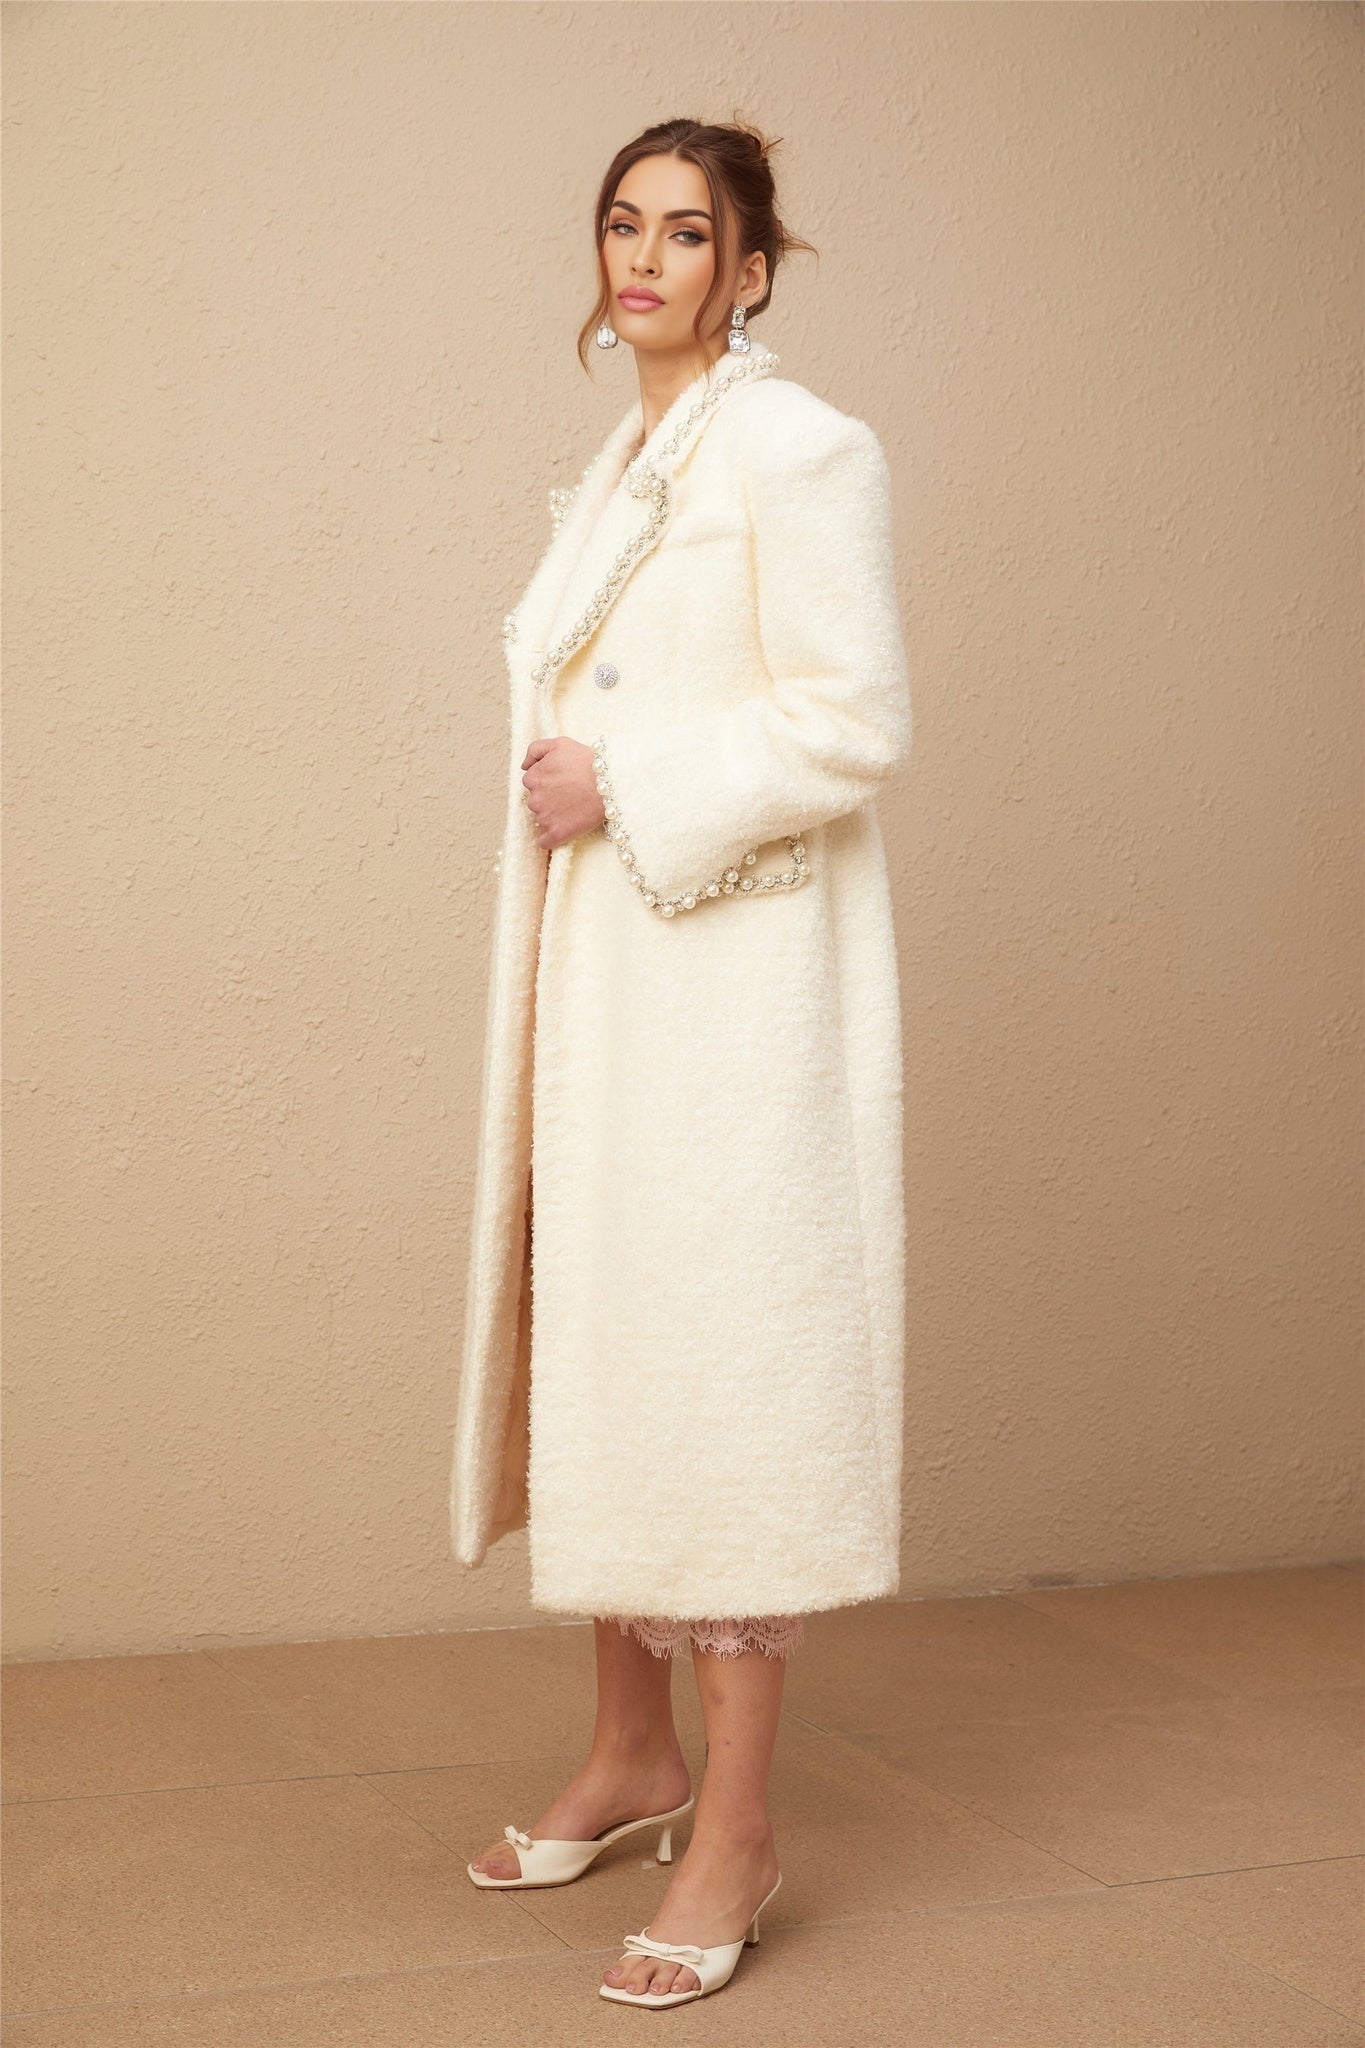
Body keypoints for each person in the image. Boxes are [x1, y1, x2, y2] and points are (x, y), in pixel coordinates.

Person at [450, 116, 913, 2008]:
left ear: (749, 268)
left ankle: (735, 1821)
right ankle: (629, 1753)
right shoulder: (626, 461)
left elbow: (854, 715)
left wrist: (625, 781)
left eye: (687, 232)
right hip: (606, 981)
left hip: (728, 987)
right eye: (621, 224)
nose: (643, 257)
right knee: (614, 1341)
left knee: (729, 1367)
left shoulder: (801, 449)